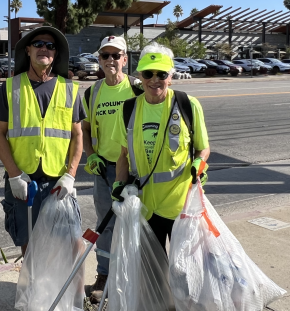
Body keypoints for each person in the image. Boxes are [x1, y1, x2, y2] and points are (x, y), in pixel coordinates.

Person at [0, 26, 86, 255]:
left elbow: (77, 135)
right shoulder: (11, 87)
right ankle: (32, 290)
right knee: (29, 246)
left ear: (56, 54)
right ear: (28, 50)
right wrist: (14, 174)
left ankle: (60, 291)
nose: (44, 49)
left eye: (50, 46)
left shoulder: (68, 88)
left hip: (58, 182)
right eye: (39, 44)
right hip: (24, 181)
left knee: (67, 245)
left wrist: (71, 175)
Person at [111, 43, 211, 250]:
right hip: (145, 206)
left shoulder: (188, 105)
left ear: (171, 77)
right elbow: (123, 155)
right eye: (148, 74)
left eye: (162, 74)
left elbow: (203, 148)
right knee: (153, 274)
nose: (155, 80)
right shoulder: (128, 109)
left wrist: (200, 162)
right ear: (140, 76)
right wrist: (118, 184)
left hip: (180, 206)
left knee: (182, 271)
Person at [81, 35, 143, 303]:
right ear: (99, 60)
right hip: (104, 170)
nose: (110, 60)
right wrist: (91, 155)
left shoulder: (138, 89)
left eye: (116, 56)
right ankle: (104, 276)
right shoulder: (92, 92)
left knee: (136, 225)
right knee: (105, 226)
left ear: (125, 59)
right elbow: (83, 129)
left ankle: (135, 276)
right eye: (105, 55)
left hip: (137, 171)